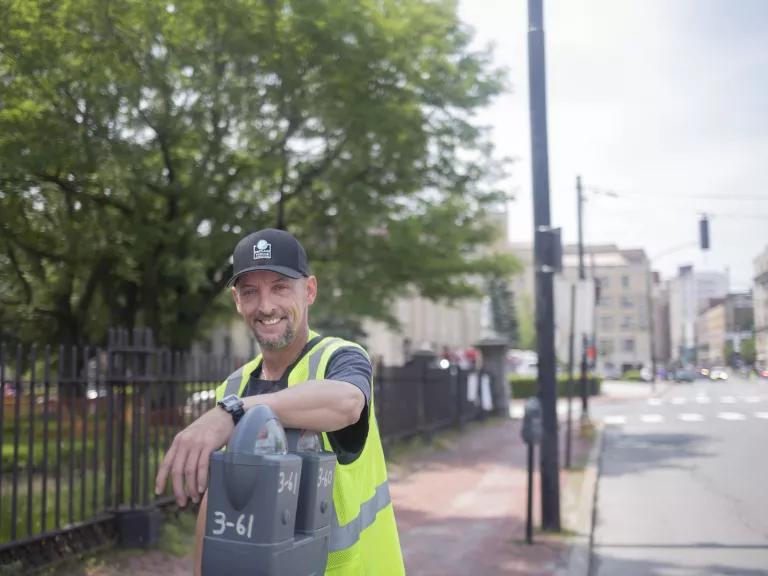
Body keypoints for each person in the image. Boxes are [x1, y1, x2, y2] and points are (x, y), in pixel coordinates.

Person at [155, 228, 404, 576]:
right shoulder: (233, 387)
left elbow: (347, 404)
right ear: (237, 301)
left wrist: (235, 412)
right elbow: (218, 505)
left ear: (310, 291)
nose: (266, 305)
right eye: (250, 292)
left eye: (280, 287)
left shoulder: (339, 358)